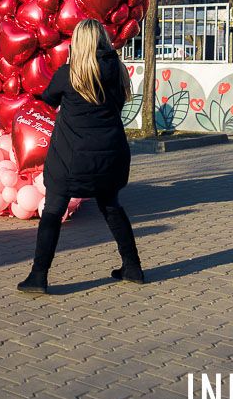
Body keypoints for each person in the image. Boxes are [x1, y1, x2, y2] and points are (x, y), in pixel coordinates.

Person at [18, 19, 142, 294]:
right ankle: (132, 267)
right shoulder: (119, 71)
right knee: (112, 207)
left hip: (71, 159)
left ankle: (39, 276)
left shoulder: (68, 74)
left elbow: (48, 99)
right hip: (111, 155)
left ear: (79, 43)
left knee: (52, 212)